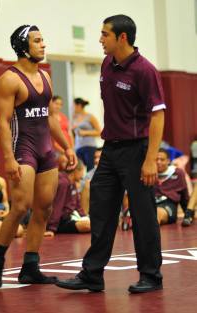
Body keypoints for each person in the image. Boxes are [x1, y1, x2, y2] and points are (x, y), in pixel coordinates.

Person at [56, 14, 165, 294]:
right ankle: (92, 275)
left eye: (105, 34)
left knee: (143, 215)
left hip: (137, 151)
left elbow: (158, 115)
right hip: (110, 150)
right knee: (101, 212)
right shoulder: (107, 64)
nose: (100, 39)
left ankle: (151, 275)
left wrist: (151, 158)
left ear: (122, 38)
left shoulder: (144, 70)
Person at [0, 24, 76, 288]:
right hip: (22, 149)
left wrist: (66, 145)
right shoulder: (9, 80)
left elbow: (49, 117)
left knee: (45, 207)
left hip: (46, 150)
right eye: (38, 41)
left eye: (43, 40)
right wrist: (8, 158)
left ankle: (30, 266)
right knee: (20, 207)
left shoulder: (46, 77)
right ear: (23, 47)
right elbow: (3, 122)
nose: (43, 45)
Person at [46, 160, 90, 236]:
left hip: (69, 217)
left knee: (93, 223)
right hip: (59, 221)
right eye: (82, 171)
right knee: (87, 226)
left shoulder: (72, 183)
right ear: (76, 171)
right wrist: (51, 229)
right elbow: (57, 206)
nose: (83, 175)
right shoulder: (63, 183)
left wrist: (85, 217)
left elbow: (78, 206)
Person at [154, 148, 189, 225]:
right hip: (151, 203)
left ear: (168, 161)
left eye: (162, 160)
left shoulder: (177, 173)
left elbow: (184, 195)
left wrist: (188, 214)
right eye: (156, 159)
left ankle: (151, 235)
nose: (158, 162)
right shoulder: (148, 174)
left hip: (168, 204)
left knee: (156, 213)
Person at [72, 97, 101, 171]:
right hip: (78, 147)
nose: (72, 108)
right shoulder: (74, 117)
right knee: (79, 169)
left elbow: (99, 132)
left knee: (90, 169)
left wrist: (85, 133)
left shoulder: (90, 117)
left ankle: (90, 182)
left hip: (89, 147)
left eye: (73, 106)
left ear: (79, 106)